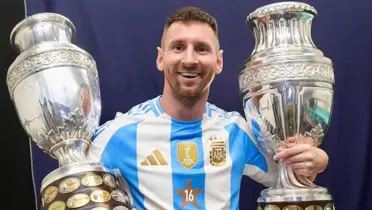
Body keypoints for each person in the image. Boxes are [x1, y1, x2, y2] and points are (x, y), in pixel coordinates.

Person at [87, 6, 329, 210]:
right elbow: (70, 181)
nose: (190, 59)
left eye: (202, 49)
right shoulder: (121, 133)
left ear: (219, 61)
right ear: (161, 58)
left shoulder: (236, 132)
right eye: (178, 47)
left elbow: (291, 177)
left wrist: (317, 160)